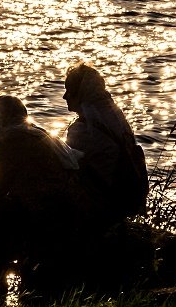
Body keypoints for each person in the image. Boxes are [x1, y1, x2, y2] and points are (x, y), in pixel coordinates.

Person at [0, 95, 85, 295]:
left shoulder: (10, 139)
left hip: (45, 213)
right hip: (67, 209)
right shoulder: (38, 133)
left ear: (2, 119)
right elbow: (6, 184)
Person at [63, 62, 148, 222]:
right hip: (124, 195)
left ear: (79, 93)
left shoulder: (84, 128)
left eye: (69, 90)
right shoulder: (115, 116)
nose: (64, 96)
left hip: (102, 202)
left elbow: (67, 165)